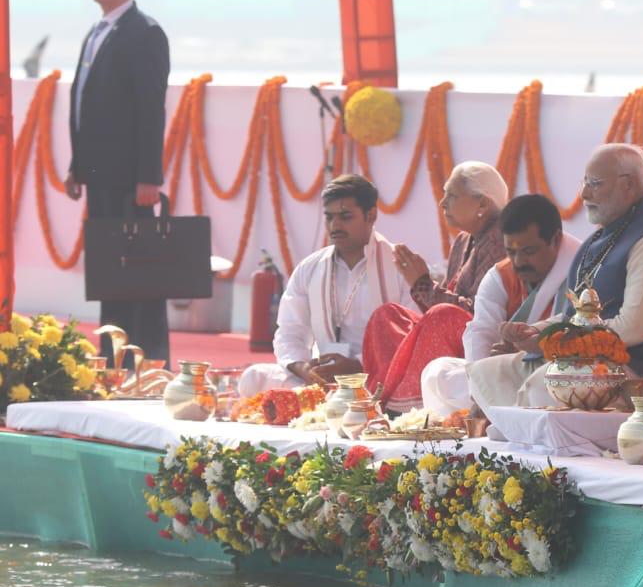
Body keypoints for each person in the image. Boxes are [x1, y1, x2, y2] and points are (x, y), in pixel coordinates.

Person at [468, 143, 643, 414]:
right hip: (585, 362)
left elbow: (633, 327)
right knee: (486, 373)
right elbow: (573, 316)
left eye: (595, 183)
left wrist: (555, 342)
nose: (584, 193)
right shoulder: (601, 239)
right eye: (584, 182)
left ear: (628, 185)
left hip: (639, 372)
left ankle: (538, 448)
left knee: (545, 383)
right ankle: (520, 441)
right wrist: (536, 332)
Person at [64, 0, 170, 366]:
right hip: (100, 175)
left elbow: (150, 108)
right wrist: (77, 166)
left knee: (137, 270)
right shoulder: (97, 32)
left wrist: (149, 176)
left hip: (130, 178)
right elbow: (86, 106)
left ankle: (145, 360)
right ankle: (112, 354)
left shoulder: (144, 32)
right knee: (110, 270)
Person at [237, 175, 412, 396]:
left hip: (379, 378)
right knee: (254, 378)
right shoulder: (309, 268)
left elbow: (409, 335)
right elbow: (290, 331)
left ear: (371, 215)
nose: (334, 226)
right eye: (329, 218)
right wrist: (303, 367)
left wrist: (358, 365)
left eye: (345, 217)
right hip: (322, 380)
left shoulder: (401, 266)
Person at [361, 162, 509, 406]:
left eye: (451, 196)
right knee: (388, 315)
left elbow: (477, 314)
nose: (442, 203)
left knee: (442, 315)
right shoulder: (463, 240)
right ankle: (388, 398)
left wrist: (422, 284)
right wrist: (423, 285)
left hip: (486, 343)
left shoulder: (501, 238)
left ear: (482, 203)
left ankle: (412, 405)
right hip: (455, 333)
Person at [419, 194, 581, 417]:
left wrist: (530, 348)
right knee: (437, 373)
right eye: (511, 252)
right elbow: (481, 331)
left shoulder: (584, 269)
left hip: (560, 373)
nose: (519, 262)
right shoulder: (501, 276)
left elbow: (583, 332)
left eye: (529, 251)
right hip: (510, 373)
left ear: (555, 239)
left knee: (550, 383)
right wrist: (482, 382)